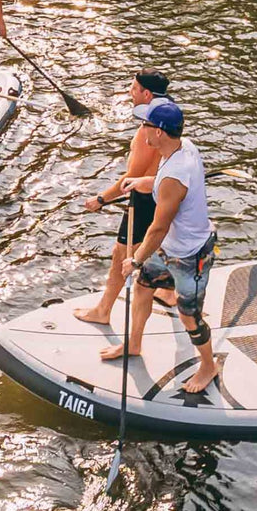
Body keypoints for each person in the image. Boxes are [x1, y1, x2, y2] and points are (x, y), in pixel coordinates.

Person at [102, 101, 220, 396]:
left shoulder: (173, 176)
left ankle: (208, 366)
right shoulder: (183, 147)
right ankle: (134, 343)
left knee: (189, 316)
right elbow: (165, 186)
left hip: (190, 255)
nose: (142, 131)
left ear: (161, 133)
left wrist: (136, 260)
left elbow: (158, 228)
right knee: (143, 288)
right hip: (168, 248)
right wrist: (143, 181)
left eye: (147, 126)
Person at [75, 70, 178, 324]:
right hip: (166, 192)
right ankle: (168, 292)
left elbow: (132, 177)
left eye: (133, 89)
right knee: (165, 245)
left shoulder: (148, 131)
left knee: (121, 256)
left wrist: (101, 199)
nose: (129, 94)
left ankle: (103, 311)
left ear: (146, 94)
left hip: (144, 199)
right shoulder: (171, 114)